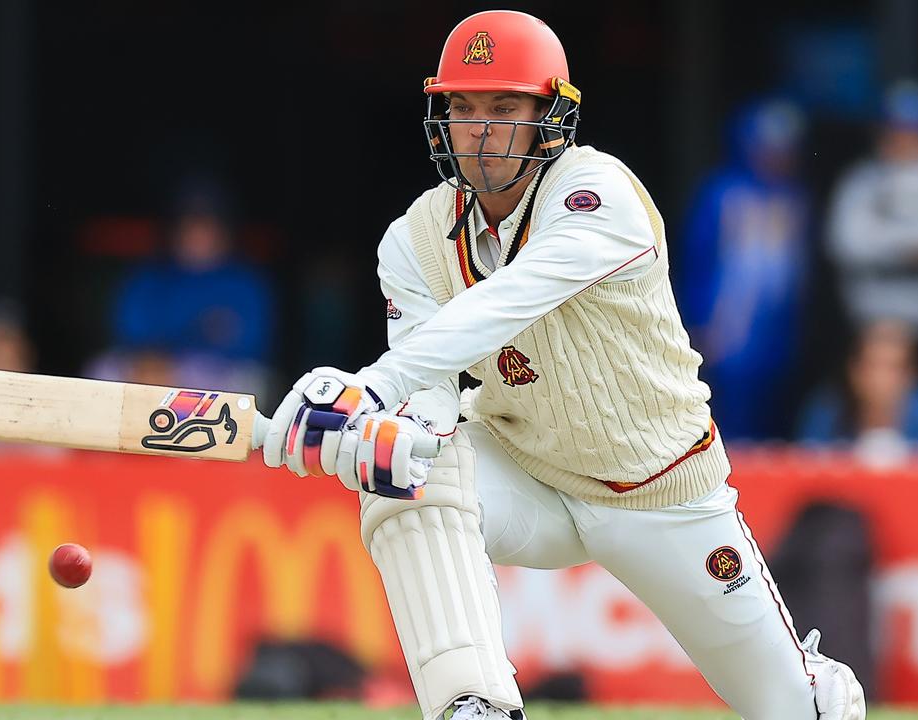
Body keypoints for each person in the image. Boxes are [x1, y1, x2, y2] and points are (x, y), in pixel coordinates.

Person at [260, 11, 865, 720]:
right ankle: (473, 703)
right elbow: (429, 403)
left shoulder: (598, 194)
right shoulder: (412, 240)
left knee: (793, 710)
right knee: (402, 465)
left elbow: (507, 302)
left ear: (550, 116)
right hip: (530, 477)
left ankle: (820, 690)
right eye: (463, 108)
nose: (480, 132)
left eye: (504, 108)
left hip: (659, 490)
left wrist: (368, 386)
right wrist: (368, 427)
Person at [675, 97, 810, 439]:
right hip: (727, 335)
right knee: (730, 423)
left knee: (774, 420)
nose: (776, 156)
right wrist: (699, 321)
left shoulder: (795, 199)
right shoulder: (721, 193)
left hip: (778, 335)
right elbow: (698, 262)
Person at [92, 176, 277, 396]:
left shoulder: (245, 282)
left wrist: (179, 346)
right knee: (103, 368)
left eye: (206, 226)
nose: (197, 236)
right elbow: (127, 327)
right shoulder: (152, 275)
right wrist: (159, 354)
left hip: (213, 371)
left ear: (225, 231)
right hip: (148, 365)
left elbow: (252, 343)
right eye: (190, 226)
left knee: (250, 381)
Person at [825, 79, 918, 344]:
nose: (905, 142)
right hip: (871, 326)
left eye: (916, 133)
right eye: (896, 132)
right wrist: (909, 247)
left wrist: (878, 238)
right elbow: (844, 243)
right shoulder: (860, 180)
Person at [796, 318, 918, 467]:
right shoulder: (826, 410)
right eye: (872, 366)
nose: (881, 379)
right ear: (853, 370)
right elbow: (807, 470)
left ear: (912, 374)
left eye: (894, 368)